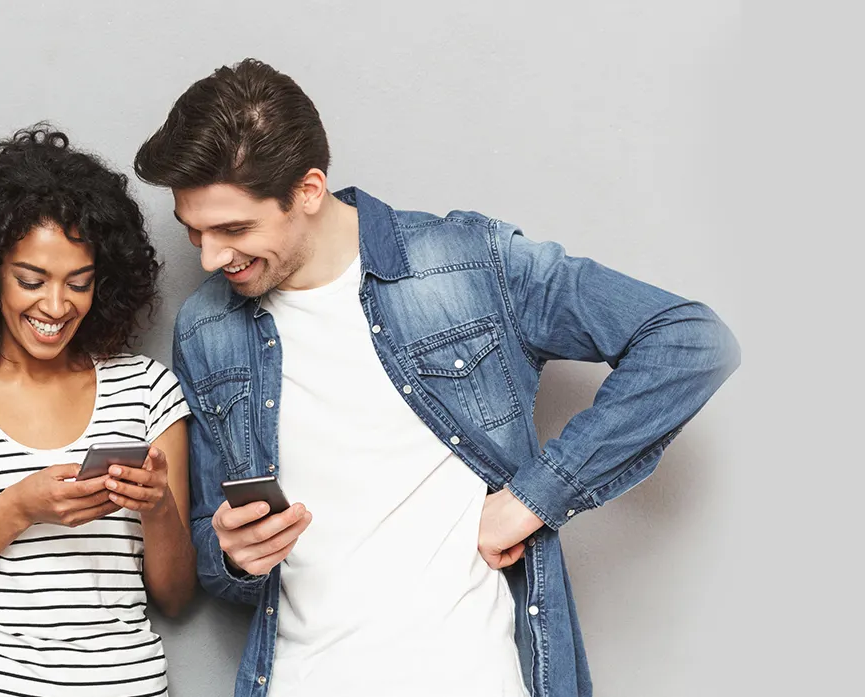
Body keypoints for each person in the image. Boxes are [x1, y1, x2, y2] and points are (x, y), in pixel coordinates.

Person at [135, 59, 740, 697]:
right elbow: (208, 540)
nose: (209, 257)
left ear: (309, 190)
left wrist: (533, 499)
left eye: (233, 229)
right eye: (194, 231)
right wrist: (232, 553)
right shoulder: (207, 328)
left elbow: (689, 340)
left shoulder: (468, 264)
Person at [0, 124, 201, 697]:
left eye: (79, 283)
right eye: (31, 279)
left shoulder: (145, 388)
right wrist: (17, 509)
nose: (55, 305)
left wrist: (159, 506)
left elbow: (174, 597)